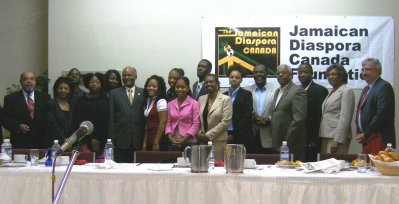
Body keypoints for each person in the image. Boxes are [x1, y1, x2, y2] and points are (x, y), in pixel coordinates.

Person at [356, 58, 396, 154]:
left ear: (377, 71)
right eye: (363, 70)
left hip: (379, 138)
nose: (364, 73)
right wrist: (359, 131)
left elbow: (382, 114)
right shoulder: (366, 88)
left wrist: (365, 134)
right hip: (367, 139)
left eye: (368, 69)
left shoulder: (384, 87)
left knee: (377, 167)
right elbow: (360, 112)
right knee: (367, 167)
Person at [3, 71, 50, 149]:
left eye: (32, 79)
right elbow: (4, 119)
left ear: (35, 81)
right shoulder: (11, 99)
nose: (29, 81)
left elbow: (49, 119)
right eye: (25, 79)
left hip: (41, 143)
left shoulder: (45, 98)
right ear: (21, 82)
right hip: (19, 142)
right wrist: (18, 126)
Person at [270, 64, 307, 161]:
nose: (280, 75)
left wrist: (287, 140)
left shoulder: (298, 91)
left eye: (284, 73)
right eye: (278, 73)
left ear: (291, 76)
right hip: (278, 143)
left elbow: (299, 119)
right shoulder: (277, 91)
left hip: (292, 144)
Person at [109, 66, 145, 162]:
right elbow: (111, 118)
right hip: (120, 139)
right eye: (124, 75)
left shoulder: (143, 93)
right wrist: (112, 138)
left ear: (135, 77)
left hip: (138, 139)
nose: (126, 77)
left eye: (129, 75)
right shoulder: (114, 93)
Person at [319, 64, 355, 154]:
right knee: (325, 166)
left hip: (336, 138)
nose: (331, 77)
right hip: (326, 135)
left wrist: (337, 140)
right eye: (328, 75)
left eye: (334, 74)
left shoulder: (346, 91)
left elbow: (345, 118)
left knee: (334, 166)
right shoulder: (331, 91)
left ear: (341, 75)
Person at [73, 73, 108, 159]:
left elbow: (106, 120)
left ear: (101, 84)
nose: (94, 84)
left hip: (103, 139)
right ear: (87, 83)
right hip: (85, 139)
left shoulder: (106, 100)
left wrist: (98, 138)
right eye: (92, 82)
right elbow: (78, 121)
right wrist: (91, 138)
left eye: (97, 82)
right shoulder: (81, 101)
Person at [197, 74, 232, 161]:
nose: (208, 84)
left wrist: (208, 135)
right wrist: (199, 133)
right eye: (206, 82)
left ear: (217, 84)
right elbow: (198, 119)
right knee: (203, 168)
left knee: (218, 169)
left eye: (211, 82)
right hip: (202, 141)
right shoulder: (201, 99)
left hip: (218, 141)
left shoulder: (225, 99)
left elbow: (225, 122)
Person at [297, 63, 329, 161]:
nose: (302, 75)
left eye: (305, 72)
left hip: (312, 139)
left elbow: (320, 116)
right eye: (300, 72)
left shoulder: (320, 90)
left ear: (312, 74)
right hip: (298, 137)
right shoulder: (296, 90)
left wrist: (314, 139)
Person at [245, 64, 277, 153]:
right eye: (256, 72)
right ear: (253, 75)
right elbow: (244, 111)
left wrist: (270, 119)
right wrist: (253, 117)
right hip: (251, 135)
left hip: (269, 135)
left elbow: (280, 111)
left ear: (267, 74)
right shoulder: (246, 90)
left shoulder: (276, 90)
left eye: (261, 72)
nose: (259, 74)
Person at [223, 65, 254, 149]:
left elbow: (247, 117)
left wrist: (234, 135)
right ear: (229, 79)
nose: (234, 79)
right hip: (225, 134)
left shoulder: (246, 94)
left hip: (241, 135)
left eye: (237, 77)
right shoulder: (223, 95)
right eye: (231, 77)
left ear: (241, 80)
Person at [165, 77, 200, 151]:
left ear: (187, 88)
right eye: (177, 87)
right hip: (173, 142)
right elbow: (168, 123)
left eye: (182, 87)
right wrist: (170, 138)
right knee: (172, 162)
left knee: (190, 162)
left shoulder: (194, 103)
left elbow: (196, 124)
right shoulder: (170, 104)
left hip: (190, 142)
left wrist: (184, 139)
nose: (180, 89)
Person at [46, 77, 74, 145]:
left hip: (71, 143)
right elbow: (52, 125)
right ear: (56, 89)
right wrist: (63, 140)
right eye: (60, 88)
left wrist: (70, 141)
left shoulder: (73, 105)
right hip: (55, 143)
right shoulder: (50, 104)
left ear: (70, 90)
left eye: (66, 89)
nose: (63, 90)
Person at [142, 75, 167, 151]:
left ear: (159, 88)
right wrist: (144, 142)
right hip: (149, 139)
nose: (151, 88)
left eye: (154, 86)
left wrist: (156, 142)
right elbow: (147, 123)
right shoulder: (148, 100)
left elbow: (163, 122)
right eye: (149, 86)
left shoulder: (161, 101)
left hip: (158, 141)